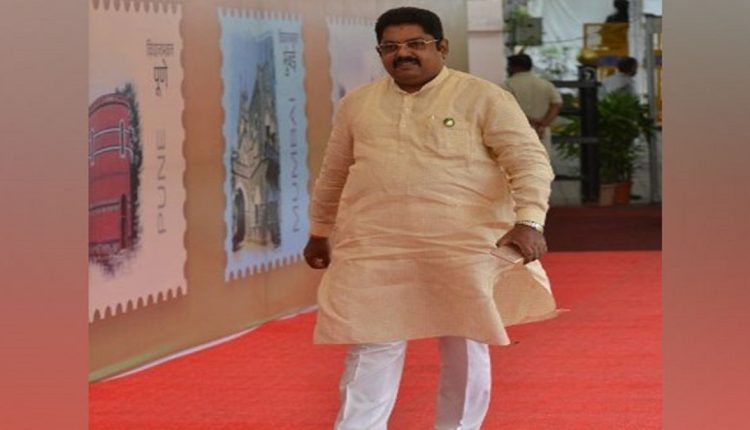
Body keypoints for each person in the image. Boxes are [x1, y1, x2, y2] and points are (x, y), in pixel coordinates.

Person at [304, 7, 558, 430]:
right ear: (380, 52)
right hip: (376, 243)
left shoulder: (484, 97)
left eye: (415, 44)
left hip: (462, 244)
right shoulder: (357, 104)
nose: (402, 53)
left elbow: (529, 162)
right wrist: (319, 230)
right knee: (371, 342)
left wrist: (529, 221)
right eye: (390, 46)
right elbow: (333, 173)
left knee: (465, 343)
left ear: (442, 47)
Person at [502, 53, 563, 154]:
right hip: (541, 131)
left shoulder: (507, 85)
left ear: (514, 67)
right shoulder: (546, 84)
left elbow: (506, 108)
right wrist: (543, 124)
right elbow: (557, 104)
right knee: (541, 159)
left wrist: (530, 120)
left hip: (517, 131)